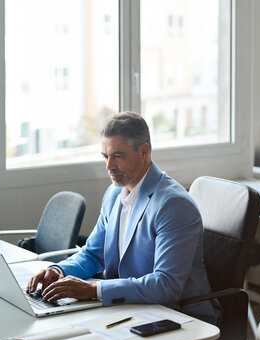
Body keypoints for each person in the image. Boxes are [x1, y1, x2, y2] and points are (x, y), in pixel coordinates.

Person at [26, 111, 218, 324]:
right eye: (105, 156)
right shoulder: (114, 194)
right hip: (127, 308)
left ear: (143, 152)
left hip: (177, 315)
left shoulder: (174, 205)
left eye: (118, 156)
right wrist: (58, 270)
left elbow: (166, 285)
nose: (109, 166)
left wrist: (93, 289)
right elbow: (93, 254)